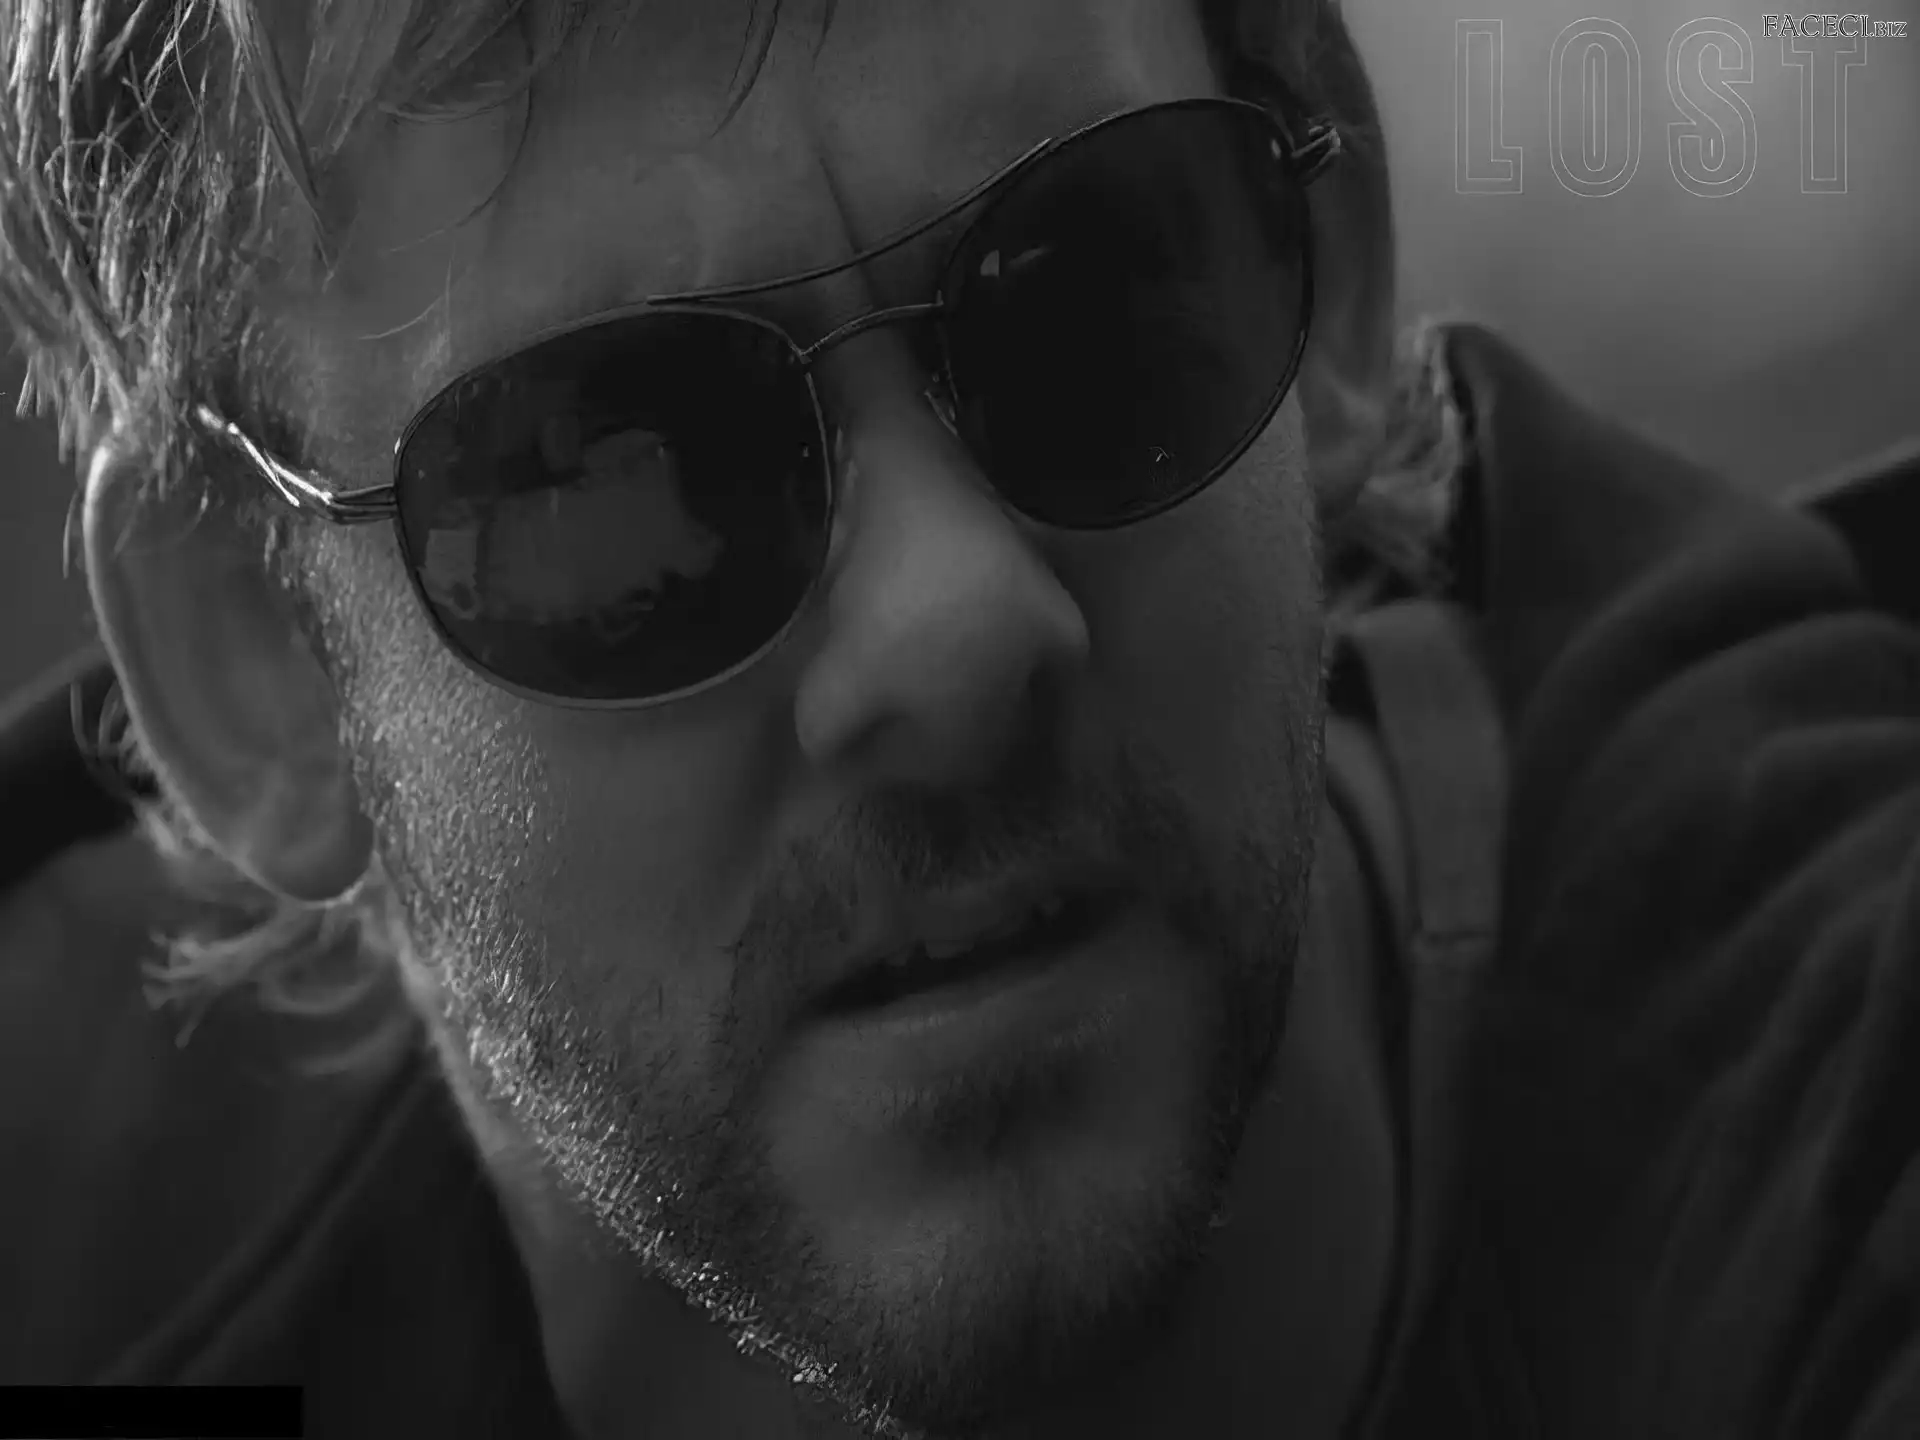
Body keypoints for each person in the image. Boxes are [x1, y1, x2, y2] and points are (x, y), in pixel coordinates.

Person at [0, 2, 1916, 1437]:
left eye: (1087, 296)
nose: (960, 628)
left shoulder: (1819, 1127)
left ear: (1327, 282)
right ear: (253, 664)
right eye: (630, 467)